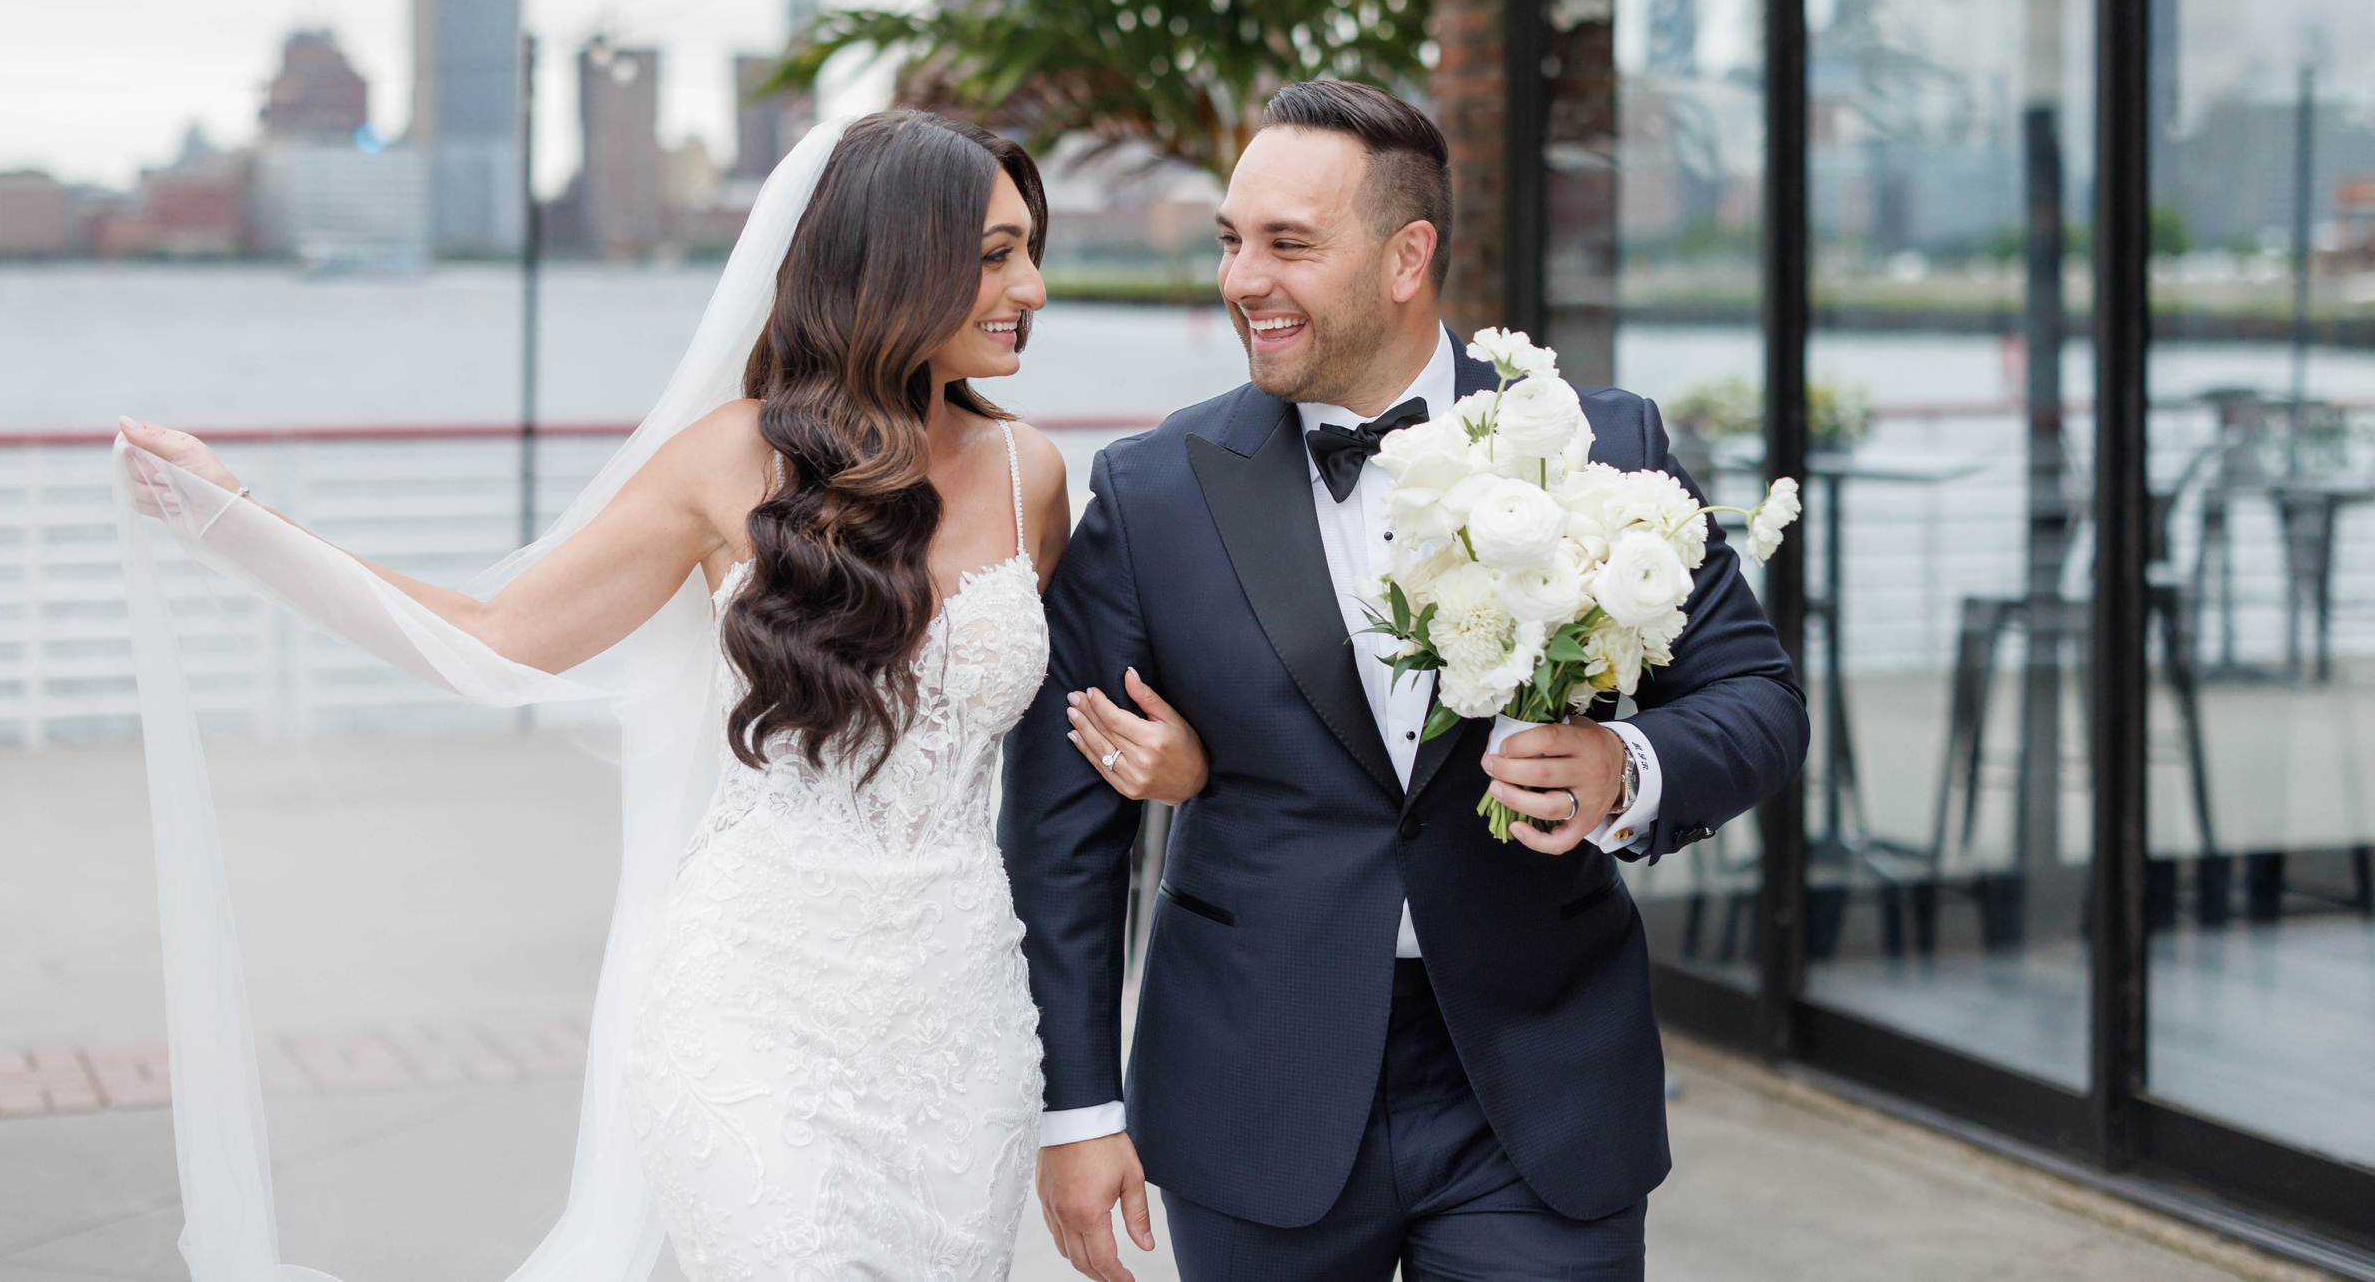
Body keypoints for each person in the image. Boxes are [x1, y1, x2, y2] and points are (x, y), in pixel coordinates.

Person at [115, 110, 1210, 1281]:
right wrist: (241, 522)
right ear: (895, 257)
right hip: (753, 1002)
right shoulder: (727, 461)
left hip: (962, 1023)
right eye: (996, 254)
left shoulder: (1027, 471)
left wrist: (1181, 774)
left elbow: (1062, 746)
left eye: (1028, 248)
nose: (1033, 285)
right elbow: (495, 636)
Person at [1004, 79, 1809, 1282]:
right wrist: (1077, 1111)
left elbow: (1757, 700)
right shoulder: (1151, 490)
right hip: (1253, 1079)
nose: (1239, 279)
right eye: (1231, 241)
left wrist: (1624, 767)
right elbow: (1065, 834)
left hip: (1536, 1086)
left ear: (1405, 256)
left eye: (1287, 244)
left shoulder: (1596, 445)